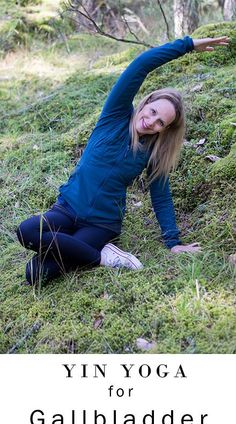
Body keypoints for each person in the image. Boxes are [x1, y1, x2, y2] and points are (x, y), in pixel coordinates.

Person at [16, 35, 230, 285]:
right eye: (153, 112)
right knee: (26, 231)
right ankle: (103, 257)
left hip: (101, 223)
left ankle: (99, 250)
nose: (151, 122)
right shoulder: (115, 115)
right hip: (67, 209)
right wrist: (188, 45)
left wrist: (173, 242)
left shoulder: (153, 150)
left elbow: (160, 195)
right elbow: (140, 65)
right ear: (146, 103)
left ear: (164, 129)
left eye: (161, 122)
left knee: (35, 273)